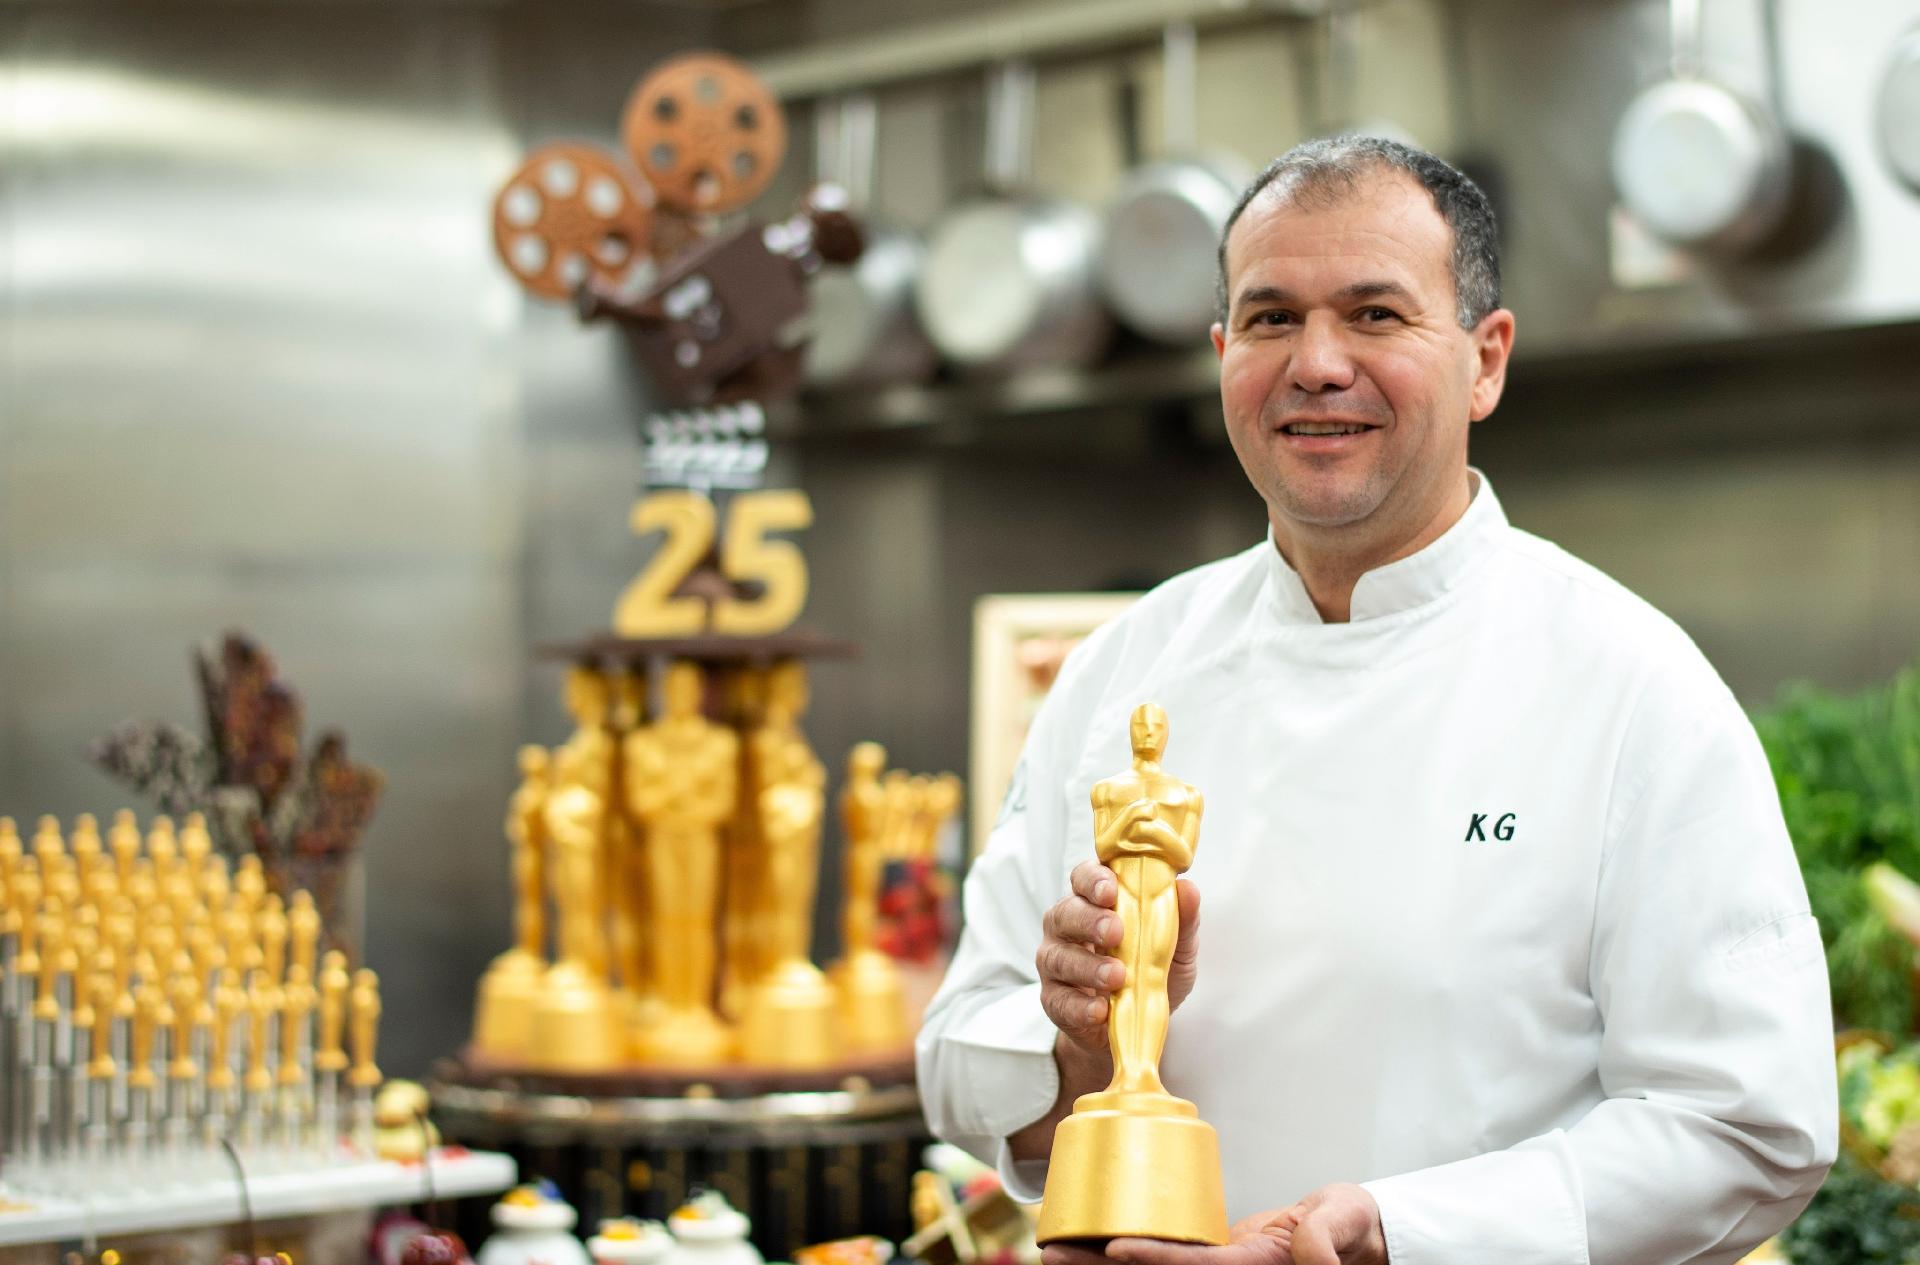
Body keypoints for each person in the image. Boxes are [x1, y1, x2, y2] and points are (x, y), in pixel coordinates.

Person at [915, 136, 1836, 1265]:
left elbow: (1749, 1123)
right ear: (1221, 356)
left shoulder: (1631, 683)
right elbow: (954, 1051)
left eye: (1376, 315)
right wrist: (1078, 1051)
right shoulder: (1121, 669)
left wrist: (1396, 1234)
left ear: (1486, 360)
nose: (1315, 363)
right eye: (1268, 319)